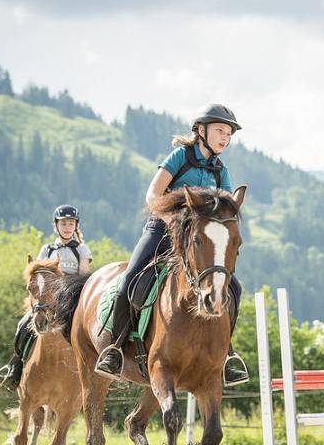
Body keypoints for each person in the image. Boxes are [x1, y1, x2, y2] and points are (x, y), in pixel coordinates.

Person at [95, 104, 249, 386]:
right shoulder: (181, 156)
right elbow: (153, 195)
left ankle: (226, 354)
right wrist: (174, 219)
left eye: (228, 133)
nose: (225, 137)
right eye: (220, 131)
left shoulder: (220, 170)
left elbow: (222, 212)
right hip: (162, 230)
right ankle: (115, 348)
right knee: (131, 278)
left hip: (197, 242)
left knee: (233, 287)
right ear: (201, 131)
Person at [0, 204, 92, 391]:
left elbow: (83, 277)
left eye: (71, 223)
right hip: (47, 301)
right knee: (23, 325)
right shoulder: (47, 249)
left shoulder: (82, 250)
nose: (67, 227)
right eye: (63, 224)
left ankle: (99, 368)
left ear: (76, 226)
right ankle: (14, 368)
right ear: (56, 226)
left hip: (70, 302)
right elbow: (37, 275)